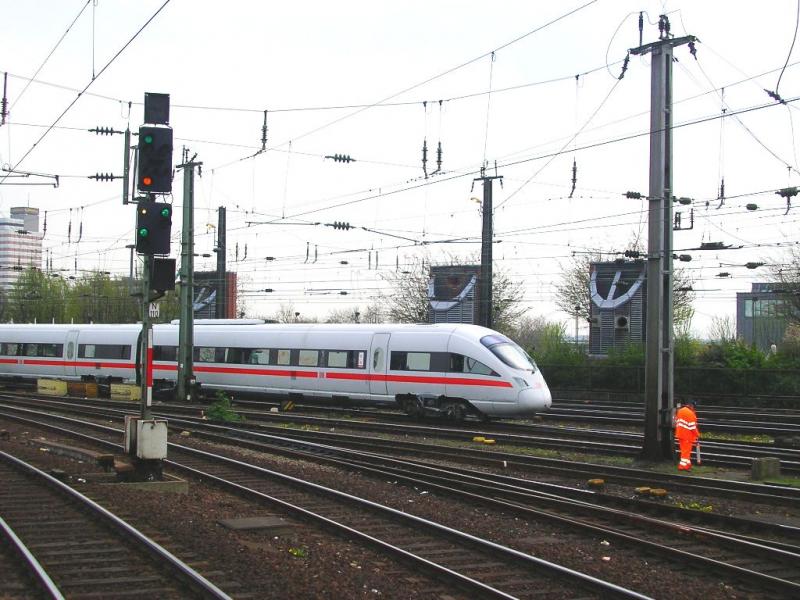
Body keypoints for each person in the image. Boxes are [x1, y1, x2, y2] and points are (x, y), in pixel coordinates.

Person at [674, 399, 700, 471]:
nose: (694, 409)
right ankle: (682, 466)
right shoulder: (690, 413)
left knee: (684, 451)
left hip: (680, 434)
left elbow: (676, 420)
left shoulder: (681, 410)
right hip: (687, 435)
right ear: (691, 406)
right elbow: (692, 427)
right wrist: (697, 434)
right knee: (686, 452)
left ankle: (688, 465)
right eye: (694, 407)